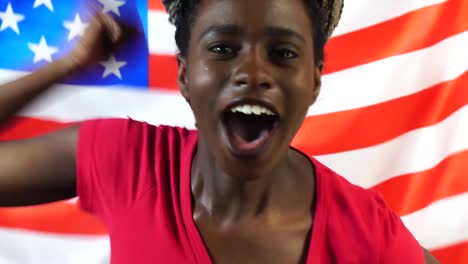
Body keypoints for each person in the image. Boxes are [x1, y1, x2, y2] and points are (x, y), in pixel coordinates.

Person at [0, 0, 440, 263]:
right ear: (186, 75)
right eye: (223, 49)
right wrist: (65, 65)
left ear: (315, 81)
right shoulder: (130, 160)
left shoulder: (364, 229)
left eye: (283, 53)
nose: (252, 72)